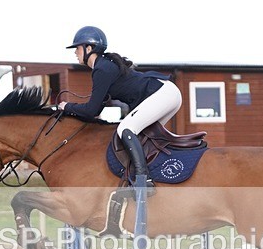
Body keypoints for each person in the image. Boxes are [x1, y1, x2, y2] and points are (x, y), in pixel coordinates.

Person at [58, 26, 182, 193]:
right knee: (145, 136)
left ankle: (143, 180)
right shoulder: (104, 66)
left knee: (126, 128)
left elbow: (91, 110)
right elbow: (96, 108)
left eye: (77, 48)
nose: (75, 52)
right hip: (166, 93)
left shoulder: (101, 69)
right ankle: (162, 174)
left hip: (161, 94)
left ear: (89, 48)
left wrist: (67, 107)